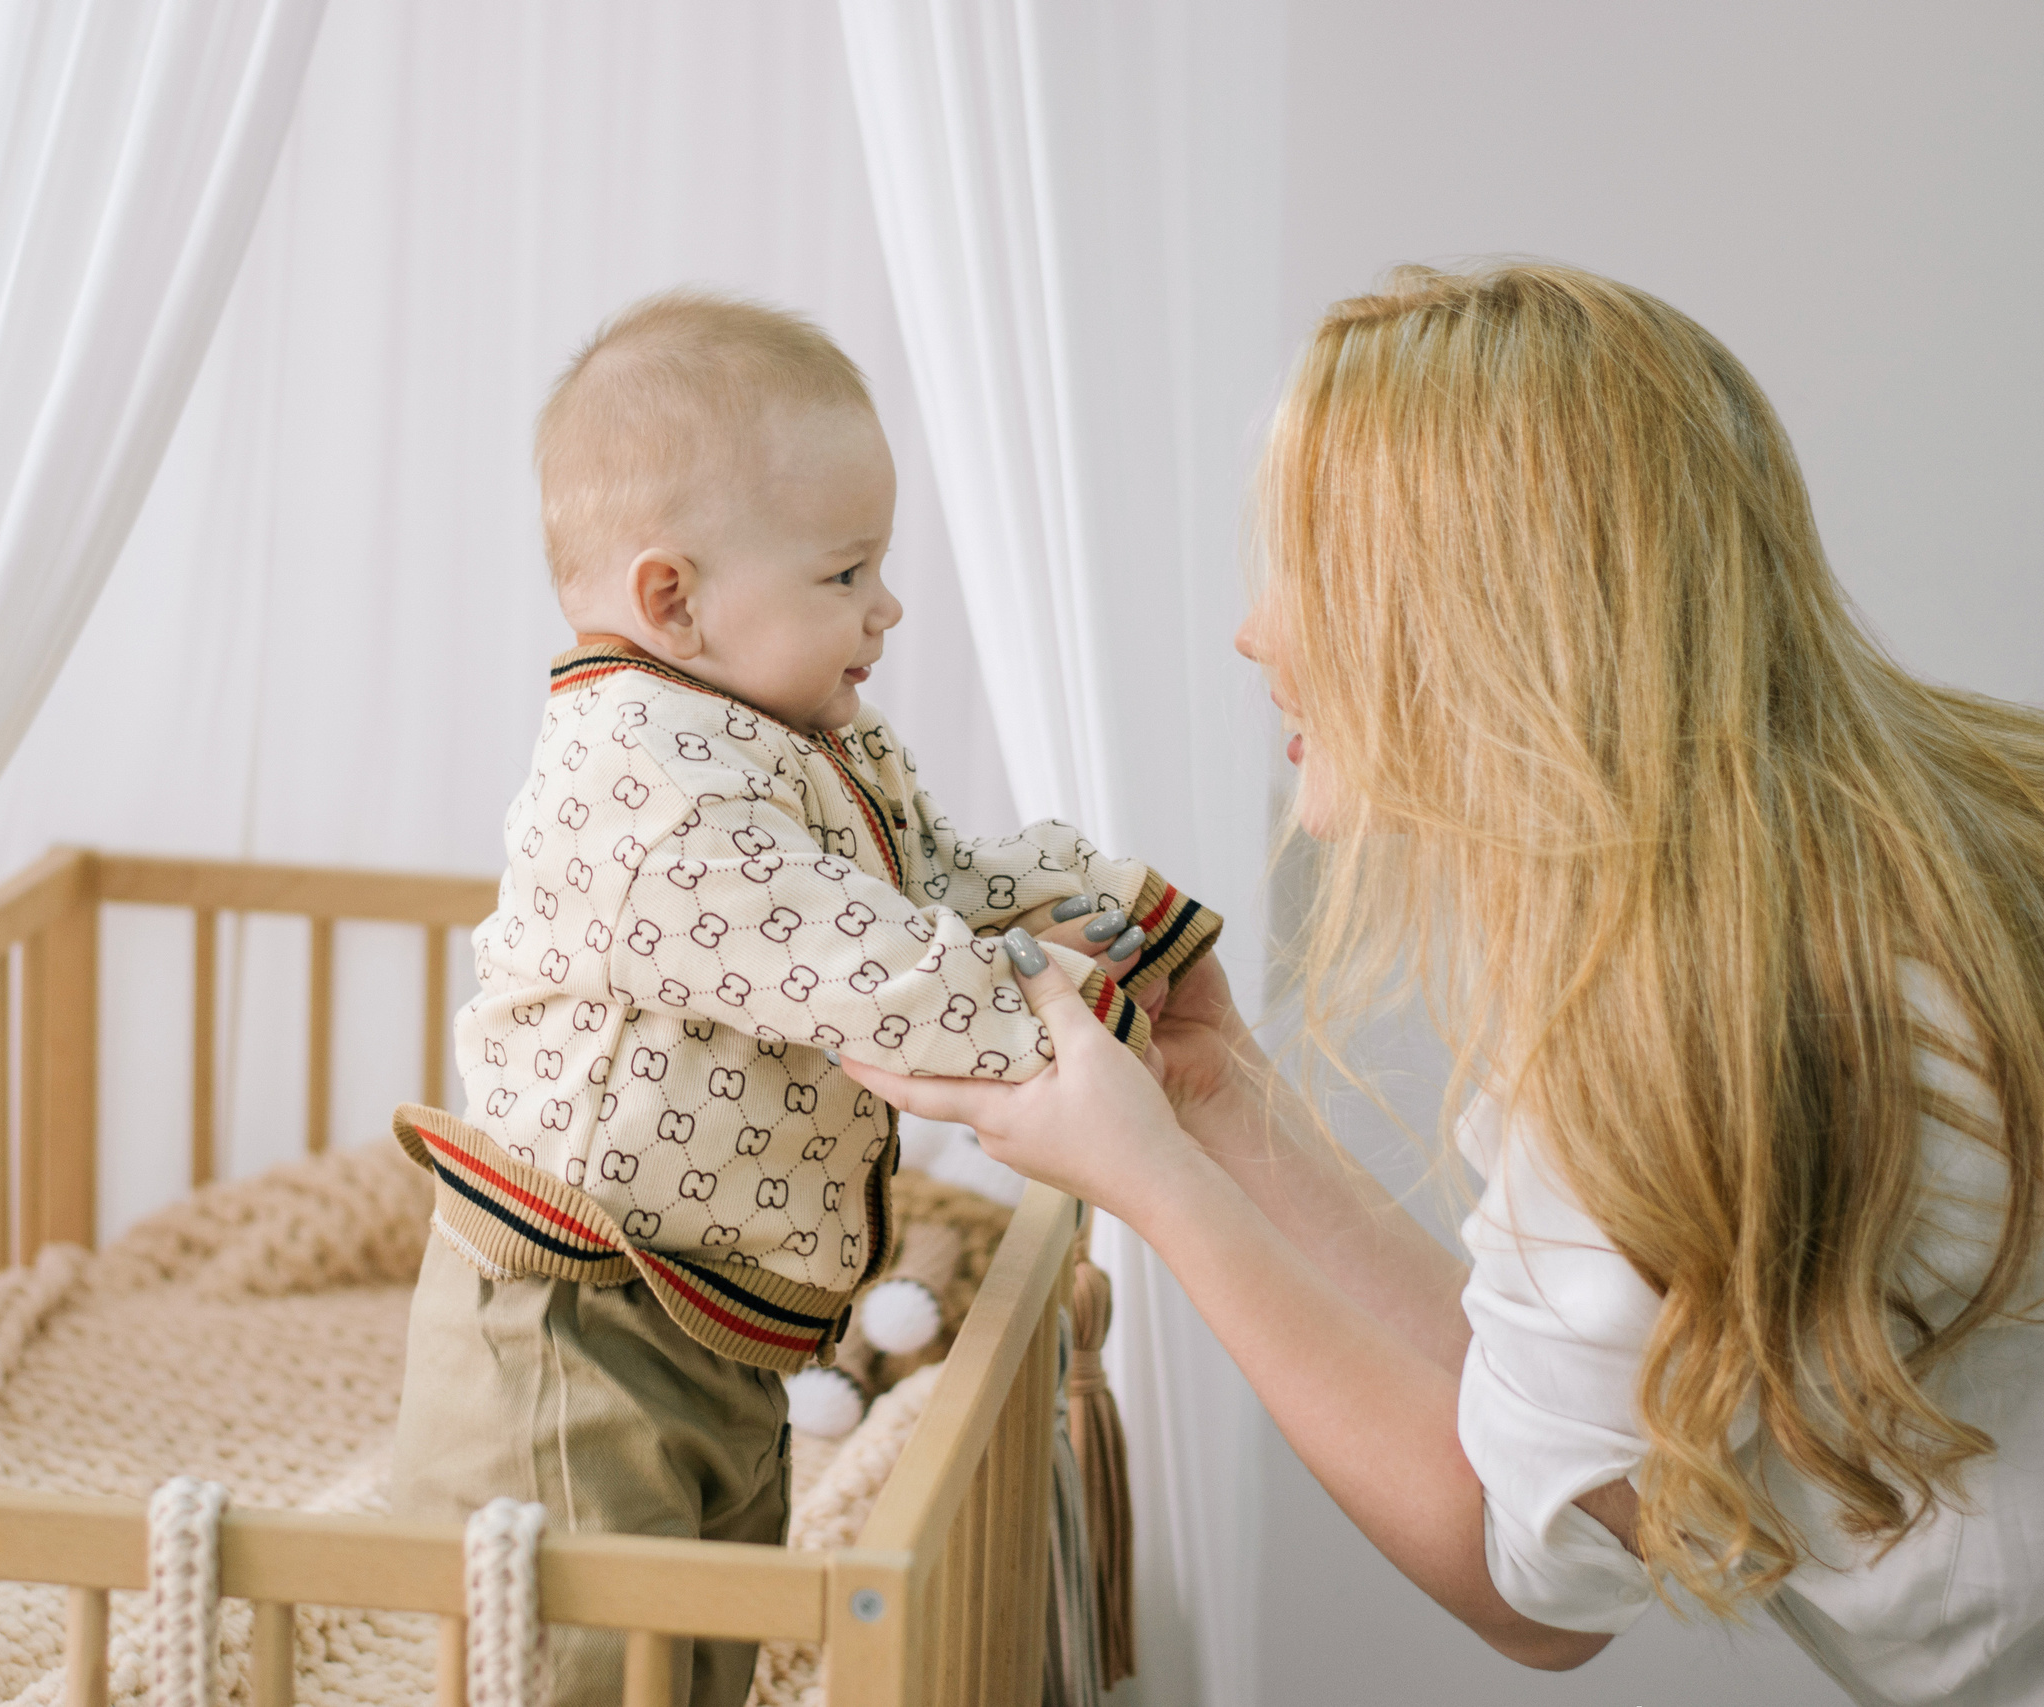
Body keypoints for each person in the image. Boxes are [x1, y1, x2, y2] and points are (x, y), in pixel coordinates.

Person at [846, 262, 2044, 1705]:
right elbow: (1534, 1413)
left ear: (1466, 608)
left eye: (1297, 565)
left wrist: (1152, 1185)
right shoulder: (1880, 861)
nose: (1255, 631)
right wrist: (1219, 1106)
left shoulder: (1658, 1015)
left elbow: (1529, 1581)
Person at [387, 286, 1221, 1706]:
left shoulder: (797, 740)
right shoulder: (646, 782)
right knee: (580, 1672)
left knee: (701, 1661)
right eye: (847, 574)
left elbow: (929, 880)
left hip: (711, 1324)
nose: (887, 608)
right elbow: (867, 971)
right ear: (674, 599)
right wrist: (1059, 1035)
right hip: (568, 1333)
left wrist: (1091, 900)